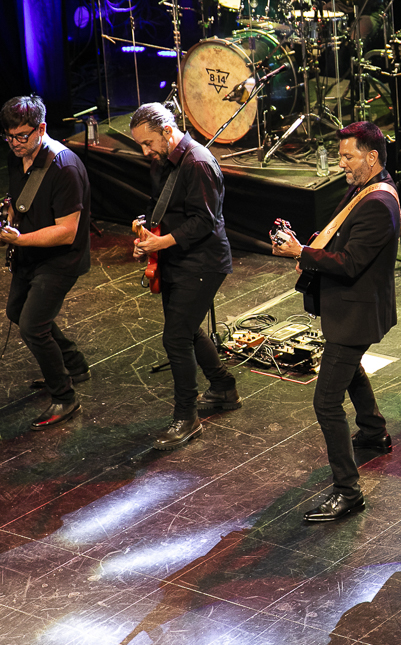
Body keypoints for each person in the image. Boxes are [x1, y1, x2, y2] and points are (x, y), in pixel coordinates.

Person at [271, 121, 400, 522]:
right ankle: (374, 431)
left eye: (348, 156)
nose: (340, 163)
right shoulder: (365, 188)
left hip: (356, 312)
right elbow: (341, 238)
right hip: (350, 310)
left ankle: (348, 491)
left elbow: (350, 262)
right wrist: (305, 246)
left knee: (326, 401)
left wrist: (301, 253)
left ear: (372, 157)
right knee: (348, 367)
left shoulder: (379, 202)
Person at [130, 102, 241, 450]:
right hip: (177, 258)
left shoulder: (197, 162)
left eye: (148, 143)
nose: (145, 151)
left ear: (167, 132)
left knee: (176, 338)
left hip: (204, 263)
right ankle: (223, 388)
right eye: (140, 146)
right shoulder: (164, 161)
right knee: (188, 331)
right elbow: (160, 206)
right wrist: (144, 232)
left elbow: (204, 220)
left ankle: (187, 418)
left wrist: (160, 242)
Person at [0, 95, 91, 430]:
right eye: (9, 136)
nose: (15, 144)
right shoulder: (15, 156)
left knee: (33, 325)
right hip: (30, 252)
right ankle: (73, 362)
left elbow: (66, 232)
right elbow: (17, 201)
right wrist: (5, 223)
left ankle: (64, 396)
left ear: (42, 128)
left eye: (22, 136)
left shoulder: (65, 168)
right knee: (17, 313)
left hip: (61, 258)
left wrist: (18, 239)